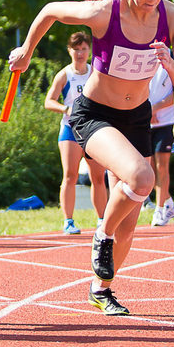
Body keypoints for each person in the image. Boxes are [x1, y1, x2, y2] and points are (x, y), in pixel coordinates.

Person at [9, 0, 174, 316]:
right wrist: (28, 51)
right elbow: (50, 11)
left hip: (136, 118)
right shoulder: (103, 12)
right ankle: (101, 232)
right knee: (143, 179)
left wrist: (170, 64)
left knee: (131, 220)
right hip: (95, 114)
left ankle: (102, 288)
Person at [45, 31, 108, 235]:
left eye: (83, 49)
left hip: (93, 130)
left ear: (89, 50)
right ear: (69, 50)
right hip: (70, 130)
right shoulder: (64, 75)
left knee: (98, 177)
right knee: (70, 175)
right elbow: (48, 101)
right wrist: (65, 109)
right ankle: (68, 221)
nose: (80, 53)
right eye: (76, 49)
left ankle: (102, 220)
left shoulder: (95, 72)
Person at [145, 61, 174, 225]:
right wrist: (147, 110)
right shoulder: (142, 61)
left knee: (162, 167)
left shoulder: (170, 61)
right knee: (149, 171)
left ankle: (160, 209)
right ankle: (168, 202)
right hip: (145, 123)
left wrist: (155, 108)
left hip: (166, 123)